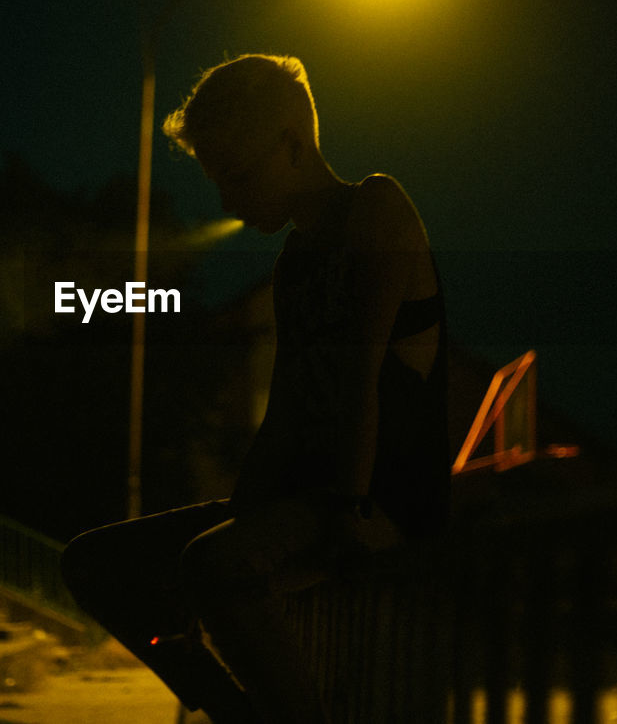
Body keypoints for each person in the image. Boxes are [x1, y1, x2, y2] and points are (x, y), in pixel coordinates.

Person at [61, 54, 448, 723]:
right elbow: (290, 411)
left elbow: (363, 380)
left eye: (236, 176)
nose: (228, 203)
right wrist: (243, 508)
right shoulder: (294, 262)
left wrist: (353, 512)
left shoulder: (375, 207)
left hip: (384, 497)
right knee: (92, 563)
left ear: (293, 145)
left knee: (214, 565)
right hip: (311, 497)